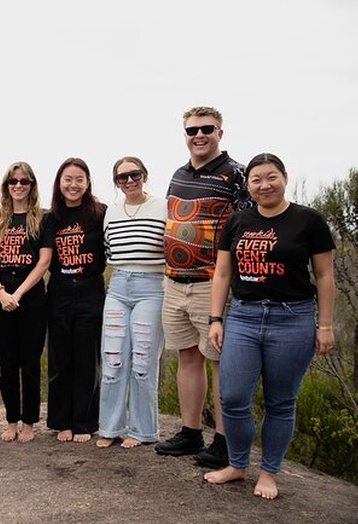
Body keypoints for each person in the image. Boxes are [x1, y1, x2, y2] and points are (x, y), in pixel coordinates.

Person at [203, 153, 336, 499]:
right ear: (248, 185)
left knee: (280, 401)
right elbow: (222, 272)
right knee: (232, 397)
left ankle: (269, 472)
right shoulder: (237, 221)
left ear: (285, 177)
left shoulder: (309, 220)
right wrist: (216, 319)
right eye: (256, 179)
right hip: (244, 316)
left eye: (271, 177)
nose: (264, 185)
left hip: (292, 318)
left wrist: (324, 325)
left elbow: (324, 276)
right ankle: (236, 464)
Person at [156, 106, 252, 467]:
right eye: (192, 130)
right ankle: (191, 431)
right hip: (174, 283)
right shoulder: (178, 175)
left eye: (207, 129)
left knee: (220, 363)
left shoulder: (237, 174)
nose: (199, 135)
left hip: (213, 285)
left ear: (220, 133)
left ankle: (225, 441)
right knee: (187, 357)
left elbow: (247, 226)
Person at [96, 157, 167, 449]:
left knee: (143, 361)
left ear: (144, 175)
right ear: (116, 182)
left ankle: (142, 430)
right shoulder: (111, 211)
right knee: (112, 359)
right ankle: (111, 427)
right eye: (122, 177)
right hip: (118, 286)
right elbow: (107, 248)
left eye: (134, 174)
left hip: (151, 287)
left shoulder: (162, 206)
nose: (129, 181)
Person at [0, 161, 52, 443]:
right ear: (6, 186)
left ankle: (29, 422)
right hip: (1, 298)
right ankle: (11, 420)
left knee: (30, 362)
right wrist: (1, 292)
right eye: (13, 182)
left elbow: (44, 260)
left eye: (24, 181)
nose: (19, 186)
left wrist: (19, 294)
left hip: (31, 297)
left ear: (32, 185)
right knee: (8, 363)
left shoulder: (43, 218)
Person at [43, 158, 108, 443]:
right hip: (58, 290)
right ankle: (61, 422)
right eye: (67, 179)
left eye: (79, 179)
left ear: (88, 182)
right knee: (60, 359)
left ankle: (84, 422)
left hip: (90, 289)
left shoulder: (100, 213)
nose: (73, 185)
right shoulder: (50, 218)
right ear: (59, 183)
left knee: (86, 358)